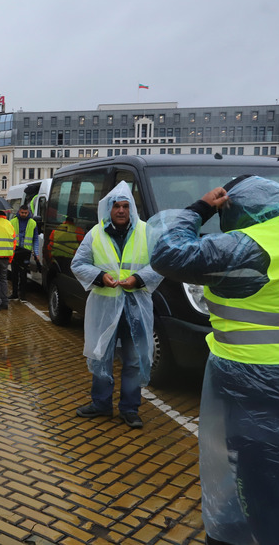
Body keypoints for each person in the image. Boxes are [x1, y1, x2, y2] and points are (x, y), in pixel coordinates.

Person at [147, 176, 279, 545]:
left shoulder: (256, 243)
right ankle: (235, 531)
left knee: (263, 489)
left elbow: (168, 254)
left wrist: (200, 209)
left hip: (265, 387)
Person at [71, 181, 163, 429]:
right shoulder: (96, 234)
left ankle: (129, 409)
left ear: (131, 208)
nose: (121, 210)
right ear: (109, 209)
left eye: (125, 206)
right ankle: (101, 404)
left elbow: (161, 263)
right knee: (102, 357)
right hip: (105, 307)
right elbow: (78, 263)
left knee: (133, 360)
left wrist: (139, 278)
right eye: (116, 206)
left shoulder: (147, 232)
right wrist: (100, 277)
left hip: (136, 308)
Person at [8, 204, 39, 300]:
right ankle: (14, 293)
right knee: (14, 274)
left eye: (26, 213)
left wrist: (36, 253)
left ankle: (23, 295)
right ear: (19, 211)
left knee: (23, 274)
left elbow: (35, 239)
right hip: (15, 251)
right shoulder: (12, 222)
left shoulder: (33, 223)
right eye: (22, 212)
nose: (24, 214)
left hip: (26, 252)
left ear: (28, 212)